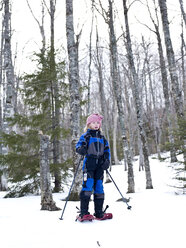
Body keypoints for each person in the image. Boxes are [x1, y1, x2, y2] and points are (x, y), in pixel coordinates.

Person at [76, 113, 111, 220]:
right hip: (89, 164)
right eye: (93, 123)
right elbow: (78, 146)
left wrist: (106, 161)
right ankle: (84, 212)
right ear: (88, 124)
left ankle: (99, 212)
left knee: (99, 187)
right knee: (88, 186)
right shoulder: (86, 136)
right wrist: (81, 149)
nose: (96, 125)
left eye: (98, 123)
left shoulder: (102, 137)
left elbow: (107, 150)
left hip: (100, 165)